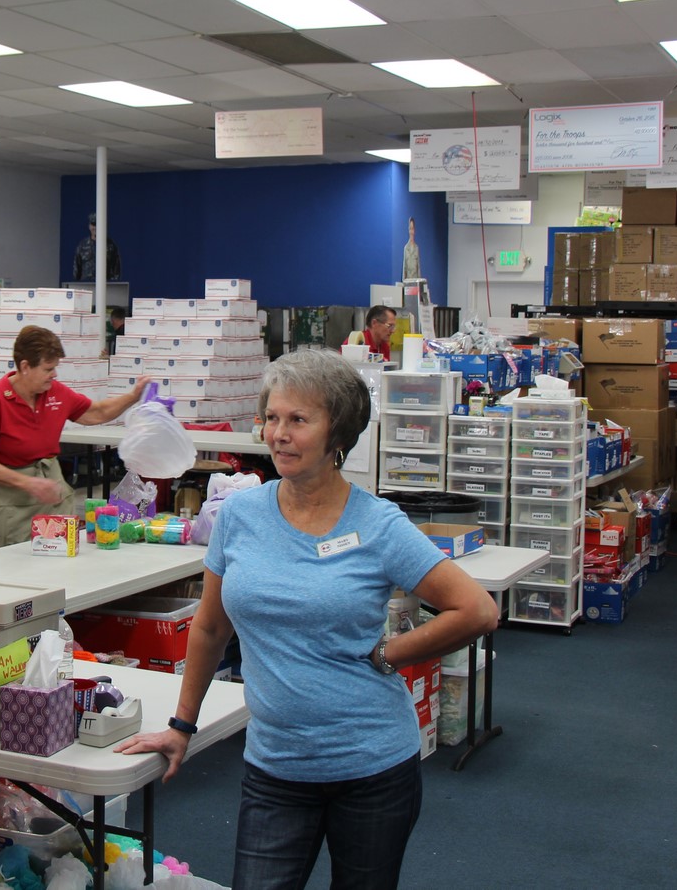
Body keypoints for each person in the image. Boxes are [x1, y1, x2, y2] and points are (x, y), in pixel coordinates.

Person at [117, 348, 497, 890]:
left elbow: (477, 610)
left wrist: (390, 654)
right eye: (272, 417)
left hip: (373, 766)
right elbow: (209, 628)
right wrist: (182, 725)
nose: (279, 434)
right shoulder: (241, 514)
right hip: (275, 766)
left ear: (337, 432)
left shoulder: (378, 523)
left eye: (298, 420)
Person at [0, 325, 145, 548]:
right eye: (48, 368)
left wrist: (133, 396)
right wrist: (27, 482)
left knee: (59, 557)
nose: (55, 374)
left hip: (51, 496)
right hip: (9, 504)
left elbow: (96, 412)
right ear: (25, 367)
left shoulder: (56, 393)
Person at [72, 212, 121, 282]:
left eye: (98, 224)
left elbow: (116, 270)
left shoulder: (111, 246)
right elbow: (76, 270)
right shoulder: (82, 246)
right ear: (89, 226)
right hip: (86, 287)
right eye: (93, 224)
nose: (95, 228)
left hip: (105, 288)